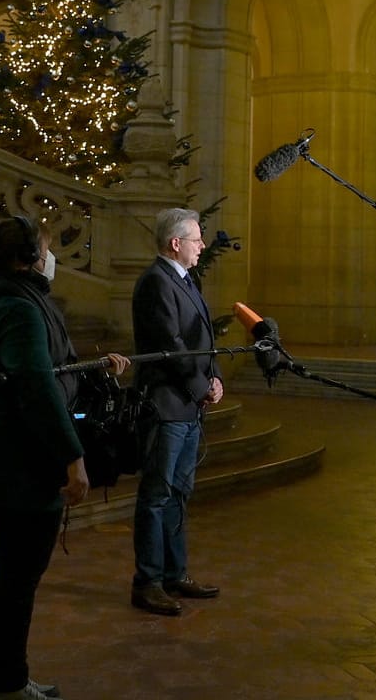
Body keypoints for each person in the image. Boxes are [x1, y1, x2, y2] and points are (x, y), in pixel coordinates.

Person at [0, 216, 129, 700]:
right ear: (28, 256)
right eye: (48, 248)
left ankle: (10, 678)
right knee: (15, 579)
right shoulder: (20, 309)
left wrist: (95, 367)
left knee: (18, 577)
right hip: (18, 461)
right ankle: (6, 685)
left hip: (22, 455)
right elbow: (34, 385)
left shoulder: (24, 302)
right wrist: (73, 458)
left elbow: (51, 369)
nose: (53, 257)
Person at [129, 207, 224, 616]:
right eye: (196, 239)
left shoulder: (184, 279)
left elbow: (202, 340)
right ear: (175, 243)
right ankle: (148, 580)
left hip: (186, 406)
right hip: (166, 404)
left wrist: (214, 377)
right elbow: (172, 345)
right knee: (156, 495)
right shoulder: (155, 283)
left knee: (179, 494)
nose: (202, 245)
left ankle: (175, 573)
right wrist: (201, 386)